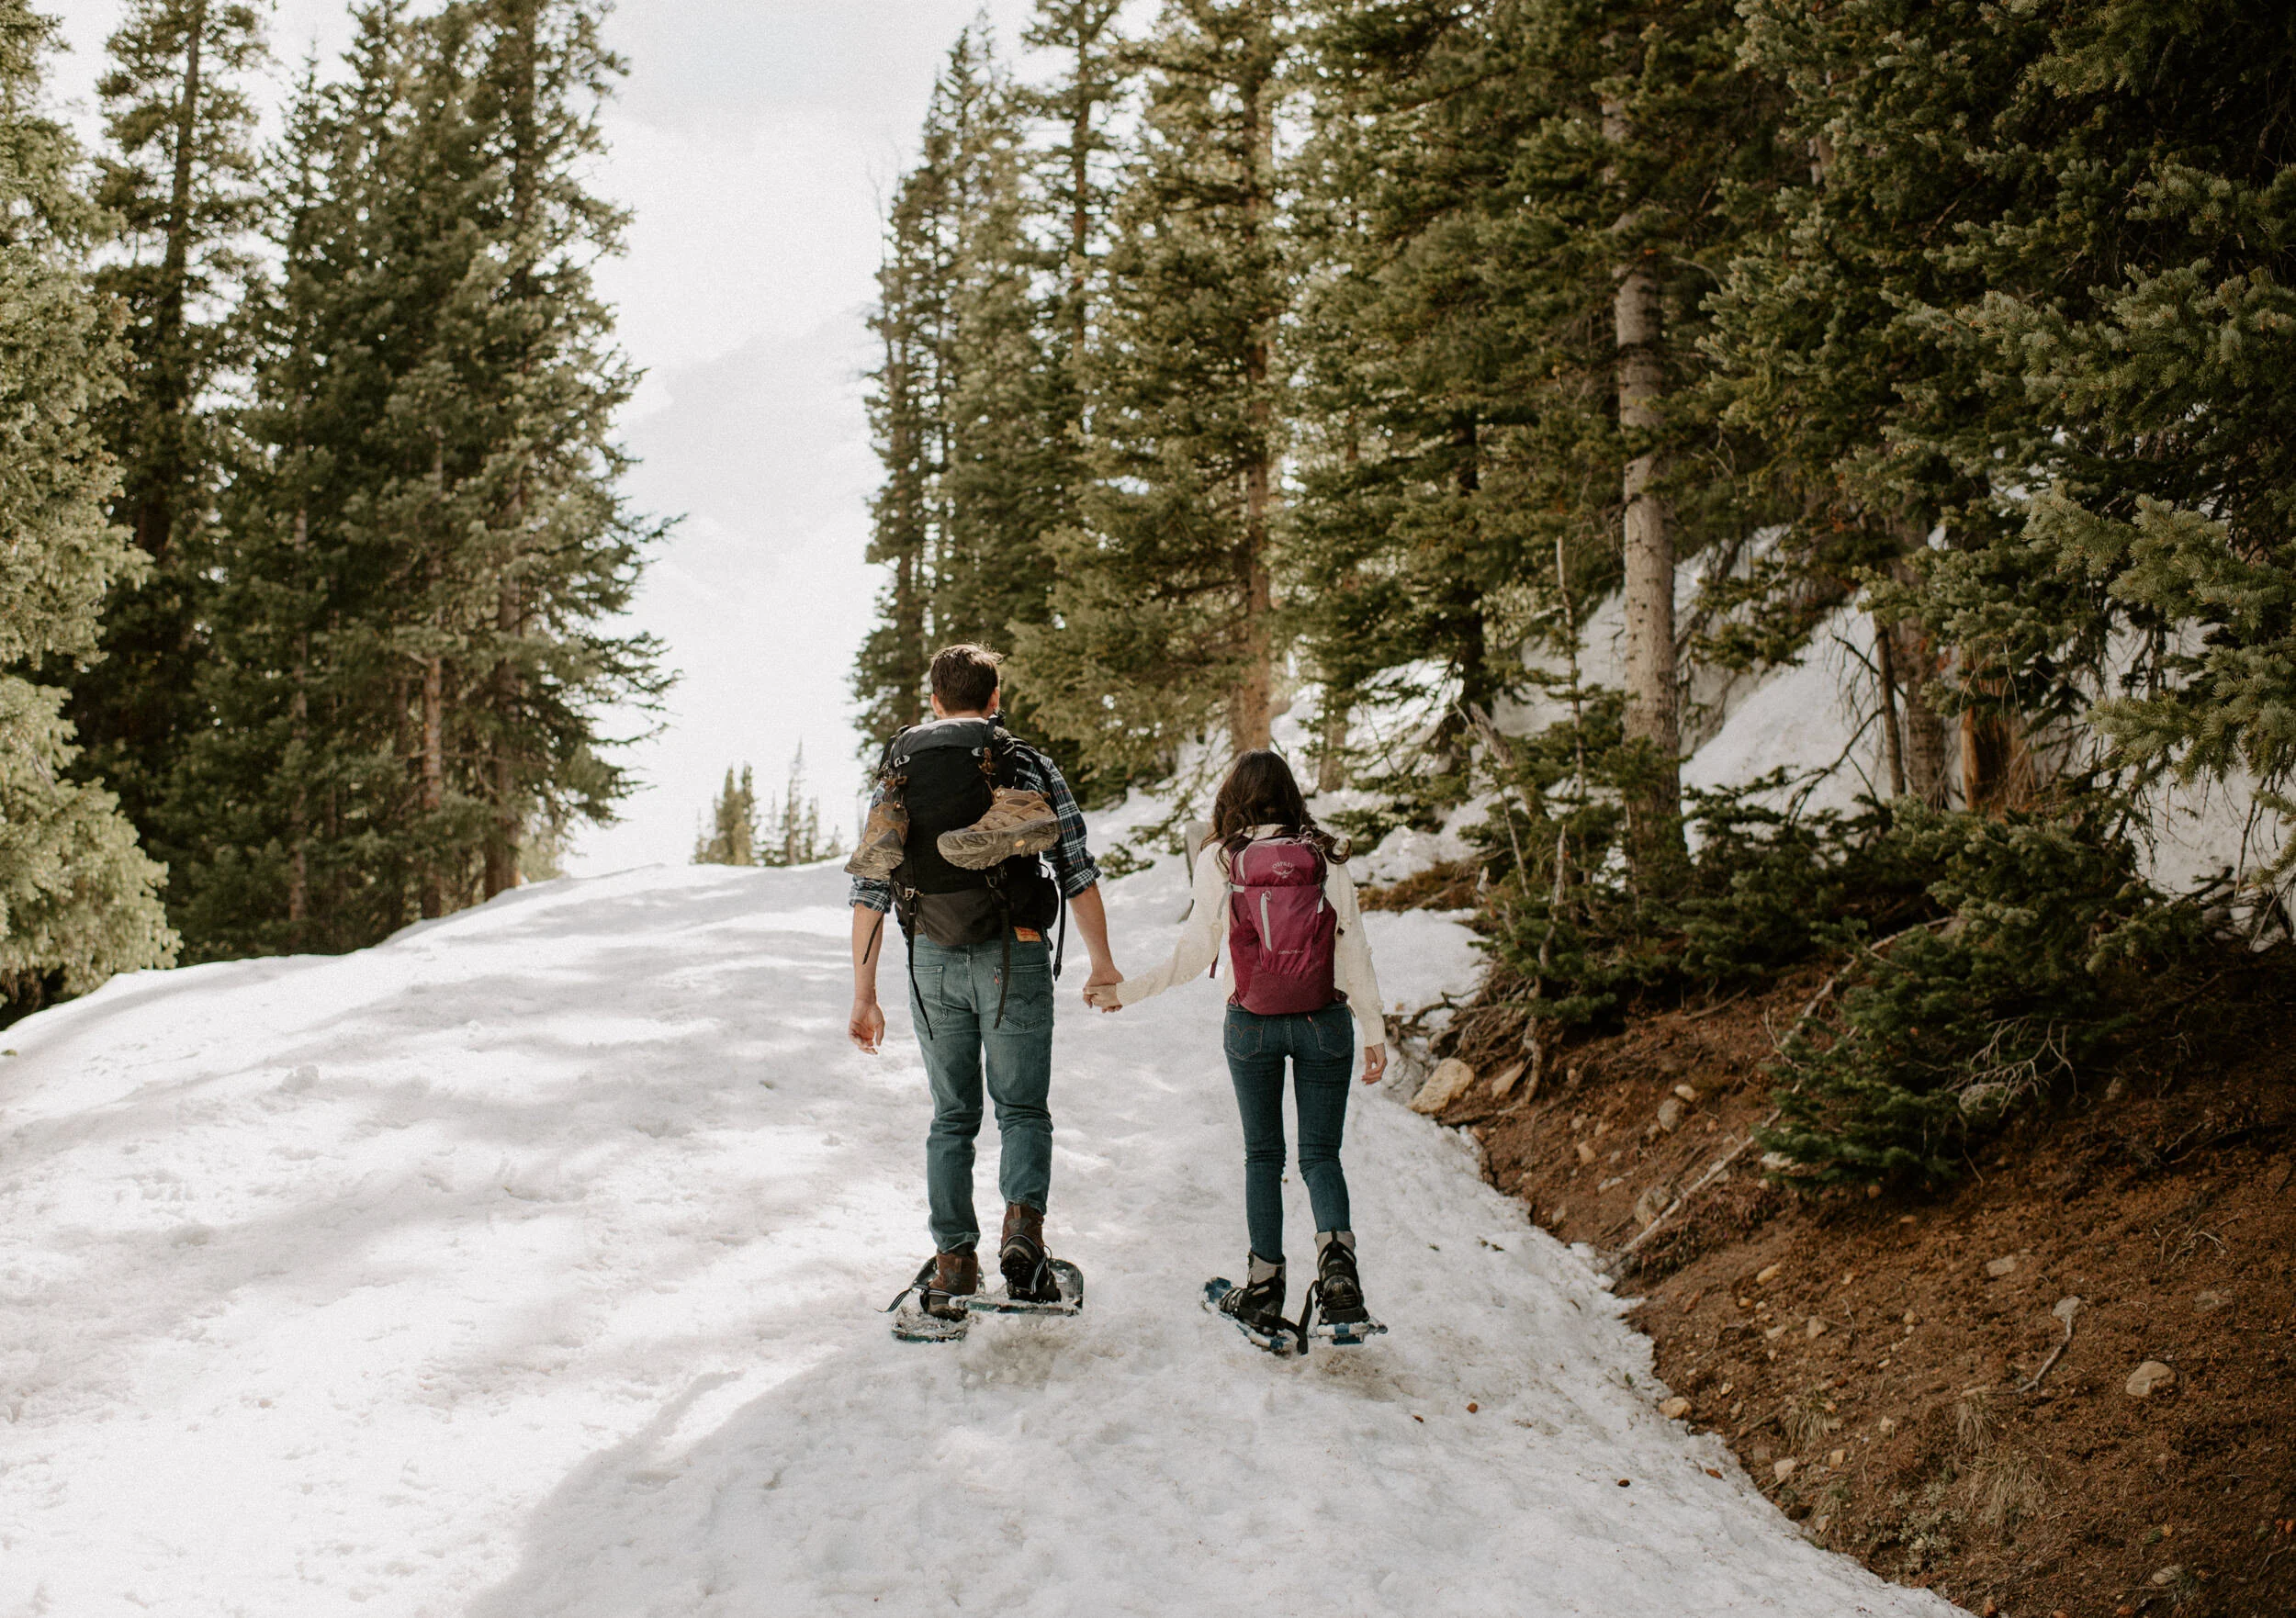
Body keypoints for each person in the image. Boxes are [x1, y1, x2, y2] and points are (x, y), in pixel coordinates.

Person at [847, 644, 1122, 1324]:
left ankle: (953, 1263)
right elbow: (1075, 868)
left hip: (931, 957)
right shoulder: (1026, 761)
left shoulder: (899, 772)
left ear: (934, 700)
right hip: (1014, 951)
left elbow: (869, 889)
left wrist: (864, 994)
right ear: (995, 700)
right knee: (1022, 1110)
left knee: (952, 1117)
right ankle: (1023, 1242)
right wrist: (1102, 963)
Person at [1086, 748, 1389, 1347]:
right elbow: (1354, 948)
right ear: (1292, 796)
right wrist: (1373, 1029)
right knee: (1321, 1157)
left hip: (1251, 1024)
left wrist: (1126, 991)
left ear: (1233, 798)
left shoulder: (1220, 859)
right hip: (1325, 1021)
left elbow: (1196, 952)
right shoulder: (1324, 855)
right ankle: (1339, 1281)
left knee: (1263, 1158)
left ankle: (1264, 1287)